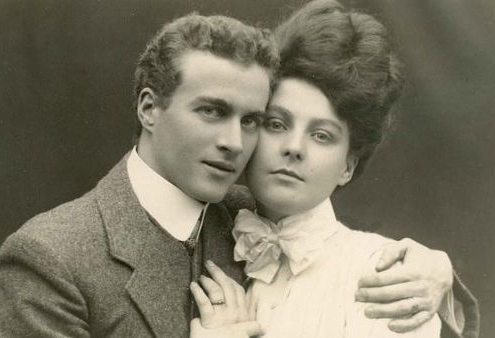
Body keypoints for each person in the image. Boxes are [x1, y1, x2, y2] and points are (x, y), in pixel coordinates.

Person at [0, 8, 476, 338]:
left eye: (251, 120)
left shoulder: (251, 220)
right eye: (210, 111)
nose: (233, 142)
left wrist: (439, 273)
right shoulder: (52, 256)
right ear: (149, 107)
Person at [188, 1, 478, 337]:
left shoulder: (382, 274)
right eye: (277, 123)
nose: (294, 147)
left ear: (347, 167)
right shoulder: (205, 228)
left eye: (322, 135)